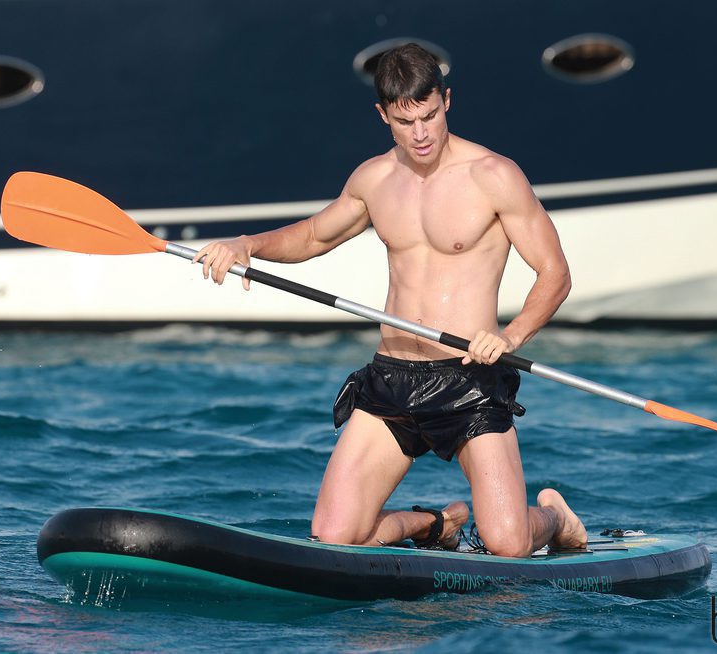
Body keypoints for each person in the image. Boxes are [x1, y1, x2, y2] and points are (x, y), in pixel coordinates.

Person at [193, 43, 586, 557]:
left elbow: (555, 274)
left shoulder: (493, 176)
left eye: (430, 116)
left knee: (507, 544)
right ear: (384, 115)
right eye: (406, 122)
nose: (421, 134)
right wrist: (248, 246)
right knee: (334, 537)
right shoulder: (374, 179)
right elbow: (314, 236)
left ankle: (554, 518)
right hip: (391, 378)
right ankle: (432, 524)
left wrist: (509, 337)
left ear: (447, 101)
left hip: (467, 378)